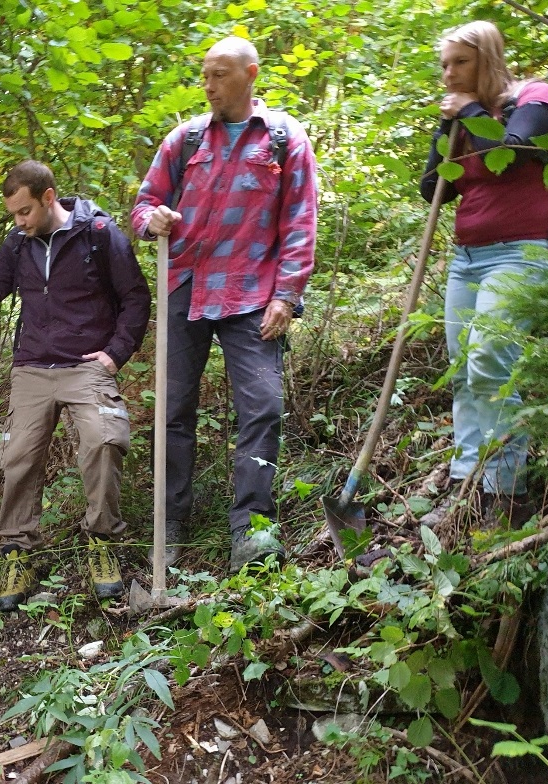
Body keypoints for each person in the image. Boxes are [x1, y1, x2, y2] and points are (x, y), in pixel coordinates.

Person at [131, 37, 318, 573]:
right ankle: (170, 525)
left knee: (263, 407)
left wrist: (287, 294)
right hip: (186, 286)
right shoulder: (185, 139)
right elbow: (144, 205)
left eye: (220, 74)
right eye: (205, 75)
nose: (209, 85)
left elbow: (301, 222)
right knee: (171, 412)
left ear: (250, 74)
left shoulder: (283, 138)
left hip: (253, 293)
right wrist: (153, 221)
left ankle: (252, 530)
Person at [0, 160, 151, 611]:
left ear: (48, 197)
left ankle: (102, 542)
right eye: (12, 215)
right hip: (33, 366)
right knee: (17, 454)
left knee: (103, 440)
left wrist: (115, 354)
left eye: (24, 212)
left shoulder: (98, 234)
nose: (19, 222)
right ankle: (18, 551)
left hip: (85, 364)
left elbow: (135, 296)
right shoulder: (18, 243)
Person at [419, 20, 548, 526]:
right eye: (443, 65)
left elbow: (512, 152)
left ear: (488, 58)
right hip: (468, 257)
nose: (448, 74)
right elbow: (430, 186)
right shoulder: (462, 118)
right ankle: (465, 488)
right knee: (464, 371)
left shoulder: (536, 98)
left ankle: (504, 494)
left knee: (488, 361)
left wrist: (472, 112)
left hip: (523, 253)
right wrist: (448, 129)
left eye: (460, 62)